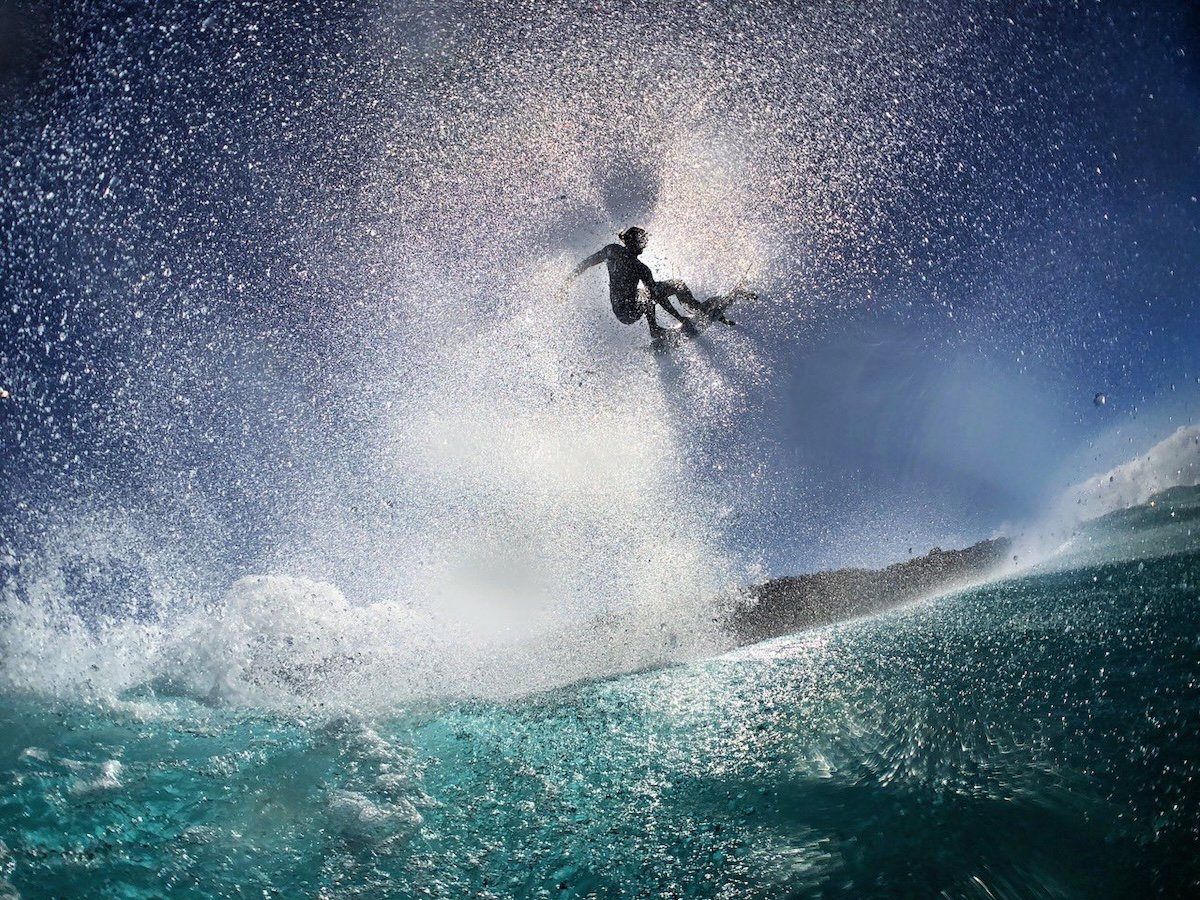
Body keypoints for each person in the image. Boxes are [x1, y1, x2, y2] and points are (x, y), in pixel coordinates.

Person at [566, 227, 692, 336]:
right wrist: (680, 318)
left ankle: (688, 310)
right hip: (629, 311)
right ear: (634, 242)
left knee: (651, 291)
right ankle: (657, 327)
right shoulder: (638, 267)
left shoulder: (613, 250)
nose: (645, 244)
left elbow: (586, 263)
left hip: (620, 310)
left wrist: (567, 283)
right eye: (642, 241)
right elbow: (657, 296)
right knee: (666, 288)